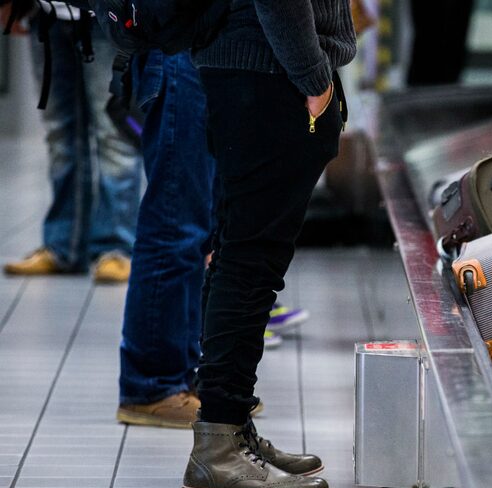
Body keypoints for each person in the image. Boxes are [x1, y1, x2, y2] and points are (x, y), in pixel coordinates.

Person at [180, 0, 356, 488]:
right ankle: (217, 445)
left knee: (239, 251)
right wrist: (313, 79)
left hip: (247, 67)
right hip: (269, 73)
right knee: (250, 262)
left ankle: (228, 428)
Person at [115, 51, 312, 428]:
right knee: (174, 220)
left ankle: (180, 373)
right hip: (177, 56)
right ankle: (151, 385)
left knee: (196, 229)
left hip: (195, 55)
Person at [3, 11, 142, 284]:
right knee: (60, 133)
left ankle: (117, 246)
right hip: (44, 13)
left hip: (106, 14)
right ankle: (63, 246)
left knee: (113, 133)